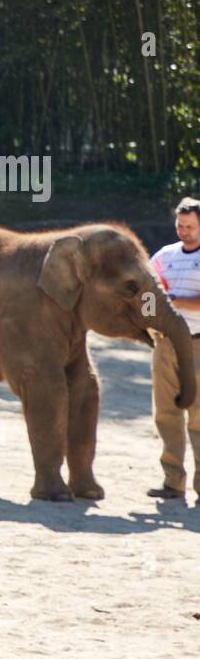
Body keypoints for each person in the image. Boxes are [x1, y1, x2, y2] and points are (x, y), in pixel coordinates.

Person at [147, 197, 200, 501]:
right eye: (180, 226)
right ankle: (173, 481)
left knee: (198, 416)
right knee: (166, 413)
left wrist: (175, 300)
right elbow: (146, 293)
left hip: (197, 344)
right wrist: (152, 314)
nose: (184, 231)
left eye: (190, 226)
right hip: (165, 345)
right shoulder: (164, 257)